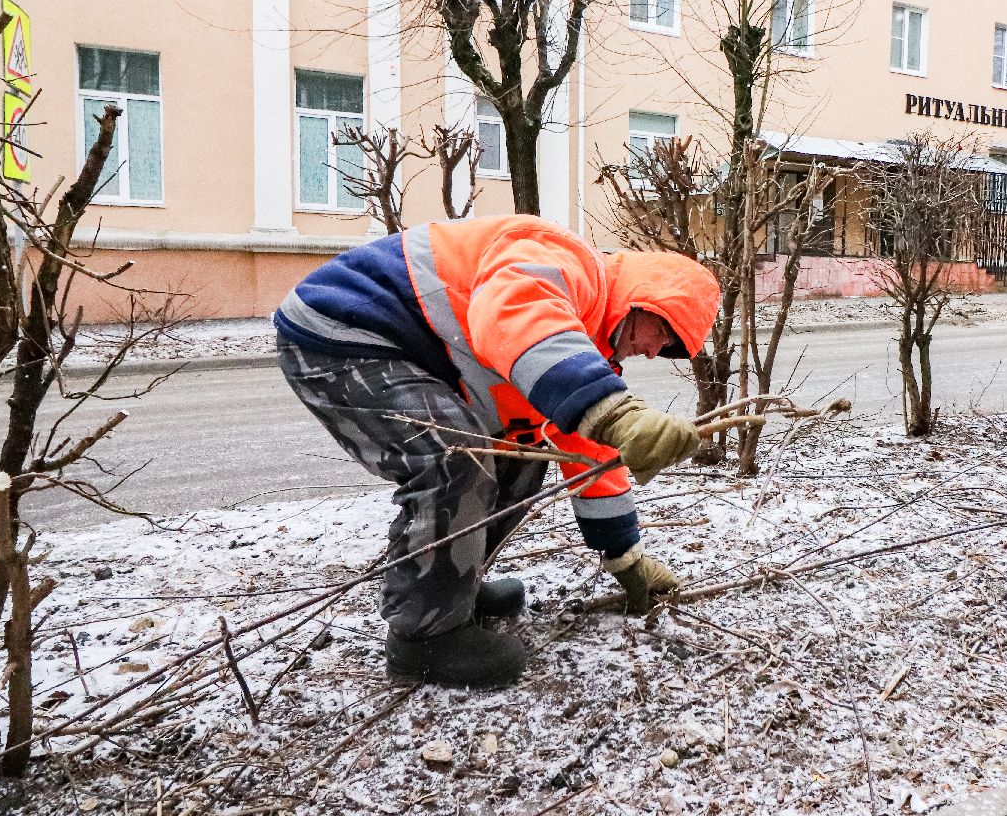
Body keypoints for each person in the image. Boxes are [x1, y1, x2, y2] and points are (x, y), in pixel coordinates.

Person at [273, 214, 720, 689]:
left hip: (393, 345)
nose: (654, 351)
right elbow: (515, 312)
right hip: (341, 330)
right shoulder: (566, 262)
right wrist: (610, 409)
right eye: (664, 333)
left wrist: (624, 555)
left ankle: (452, 588)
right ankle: (425, 638)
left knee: (522, 455)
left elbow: (588, 454)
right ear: (646, 298)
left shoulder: (583, 348)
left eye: (669, 348)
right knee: (454, 457)